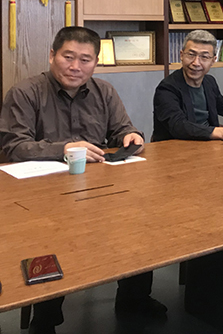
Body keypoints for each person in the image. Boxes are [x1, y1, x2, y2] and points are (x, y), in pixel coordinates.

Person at [0, 26, 166, 333]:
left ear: (95, 63)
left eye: (85, 60)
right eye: (68, 57)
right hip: (42, 195)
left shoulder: (104, 91)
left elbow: (122, 129)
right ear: (52, 55)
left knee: (139, 221)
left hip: (99, 188)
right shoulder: (25, 92)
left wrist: (130, 135)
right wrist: (63, 149)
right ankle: (45, 319)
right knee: (49, 238)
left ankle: (133, 299)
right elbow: (13, 146)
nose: (75, 66)